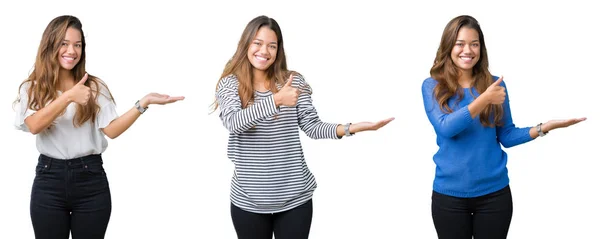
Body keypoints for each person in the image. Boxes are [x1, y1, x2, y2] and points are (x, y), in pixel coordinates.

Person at [212, 15, 394, 239]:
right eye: (257, 43)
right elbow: (234, 122)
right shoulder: (231, 83)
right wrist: (276, 100)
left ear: (279, 50)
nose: (264, 51)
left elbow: (312, 126)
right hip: (248, 201)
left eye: (272, 46)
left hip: (295, 198)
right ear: (246, 45)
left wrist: (352, 128)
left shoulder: (293, 81)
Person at [13, 15, 184, 239]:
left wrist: (143, 103)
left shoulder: (93, 86)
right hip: (49, 180)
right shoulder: (32, 87)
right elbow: (34, 125)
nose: (71, 51)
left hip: (90, 180)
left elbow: (111, 130)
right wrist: (68, 97)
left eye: (77, 45)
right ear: (50, 45)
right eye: (64, 44)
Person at [420, 15, 586, 239]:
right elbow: (446, 128)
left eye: (474, 44)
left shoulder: (494, 84)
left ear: (481, 48)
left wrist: (544, 127)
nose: (467, 50)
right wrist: (484, 99)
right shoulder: (432, 86)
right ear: (448, 46)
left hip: (494, 196)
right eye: (460, 43)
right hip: (449, 197)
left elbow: (506, 135)